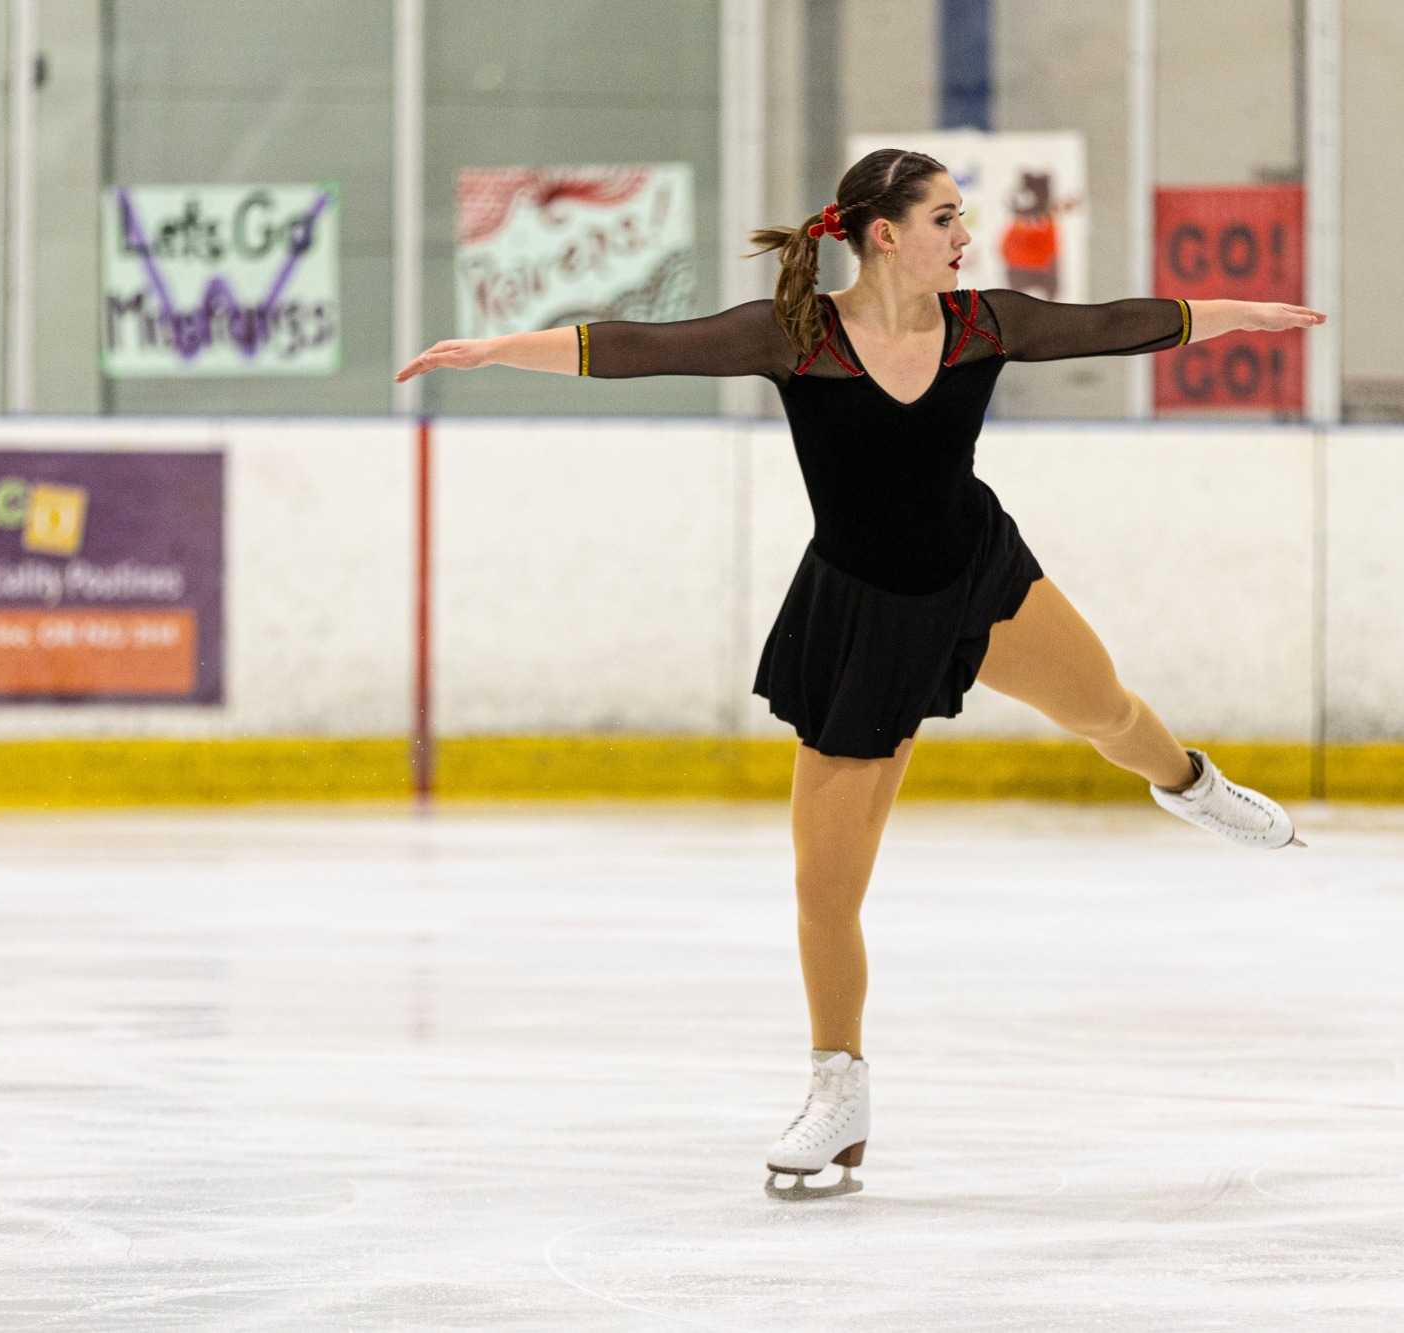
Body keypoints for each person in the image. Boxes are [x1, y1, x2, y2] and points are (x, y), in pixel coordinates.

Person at [396, 148, 1327, 1201]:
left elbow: (1114, 323)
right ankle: (838, 1092)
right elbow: (633, 346)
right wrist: (490, 352)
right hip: (861, 620)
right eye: (945, 220)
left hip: (979, 576)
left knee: (1105, 707)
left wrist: (1237, 313)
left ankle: (1190, 784)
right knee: (824, 888)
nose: (962, 238)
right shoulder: (794, 337)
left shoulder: (986, 324)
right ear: (885, 234)